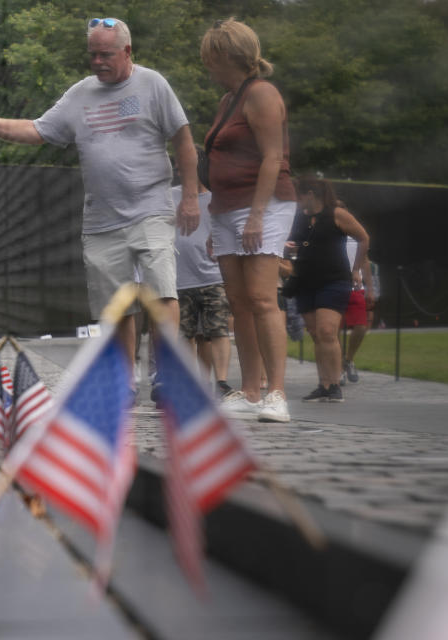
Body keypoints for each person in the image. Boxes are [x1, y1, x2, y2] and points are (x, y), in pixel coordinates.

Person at [0, 18, 199, 386]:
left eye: (106, 55)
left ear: (127, 51)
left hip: (151, 207)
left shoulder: (153, 85)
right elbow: (36, 130)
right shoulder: (81, 94)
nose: (97, 61)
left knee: (161, 291)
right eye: (92, 54)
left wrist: (191, 196)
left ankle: (166, 375)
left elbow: (183, 141)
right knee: (116, 307)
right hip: (102, 219)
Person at [200, 18, 297, 423]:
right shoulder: (228, 101)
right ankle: (251, 390)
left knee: (261, 299)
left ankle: (277, 393)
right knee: (239, 304)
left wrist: (256, 216)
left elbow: (273, 157)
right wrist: (215, 219)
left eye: (211, 59)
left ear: (229, 57)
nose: (207, 67)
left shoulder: (261, 94)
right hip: (226, 208)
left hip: (264, 205)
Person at [287, 175, 369, 403]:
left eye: (299, 195)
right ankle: (323, 384)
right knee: (316, 335)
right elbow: (292, 243)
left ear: (310, 194)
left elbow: (363, 238)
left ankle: (334, 384)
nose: (296, 200)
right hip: (305, 281)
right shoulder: (299, 219)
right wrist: (289, 247)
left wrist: (355, 269)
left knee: (326, 331)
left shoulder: (337, 214)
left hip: (333, 281)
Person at [172, 176, 232, 397]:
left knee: (216, 330)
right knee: (184, 333)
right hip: (179, 276)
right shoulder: (169, 196)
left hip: (213, 276)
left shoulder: (216, 200)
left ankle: (221, 381)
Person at [339, 235, 375, 384]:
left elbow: (365, 261)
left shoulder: (355, 236)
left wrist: (370, 289)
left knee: (361, 326)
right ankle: (338, 367)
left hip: (355, 286)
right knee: (334, 329)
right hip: (334, 285)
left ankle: (348, 360)